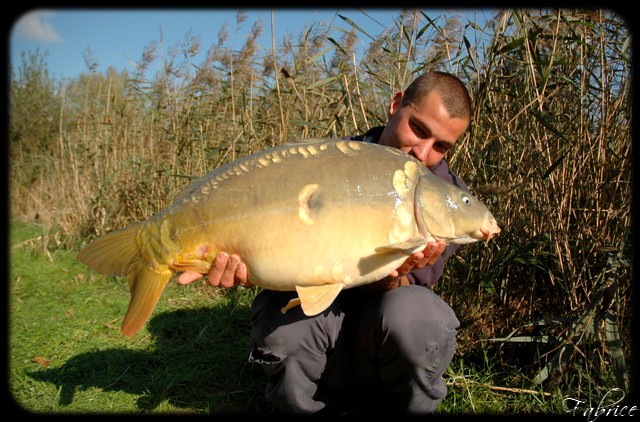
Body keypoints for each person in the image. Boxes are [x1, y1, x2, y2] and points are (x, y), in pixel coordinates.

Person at [178, 71, 473, 415]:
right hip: (316, 327)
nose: (423, 153)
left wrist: (395, 272)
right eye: (418, 130)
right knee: (281, 314)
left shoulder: (446, 200)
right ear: (396, 105)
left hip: (374, 333)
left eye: (441, 146)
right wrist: (245, 264)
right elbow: (274, 243)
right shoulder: (330, 159)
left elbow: (396, 295)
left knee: (418, 315)